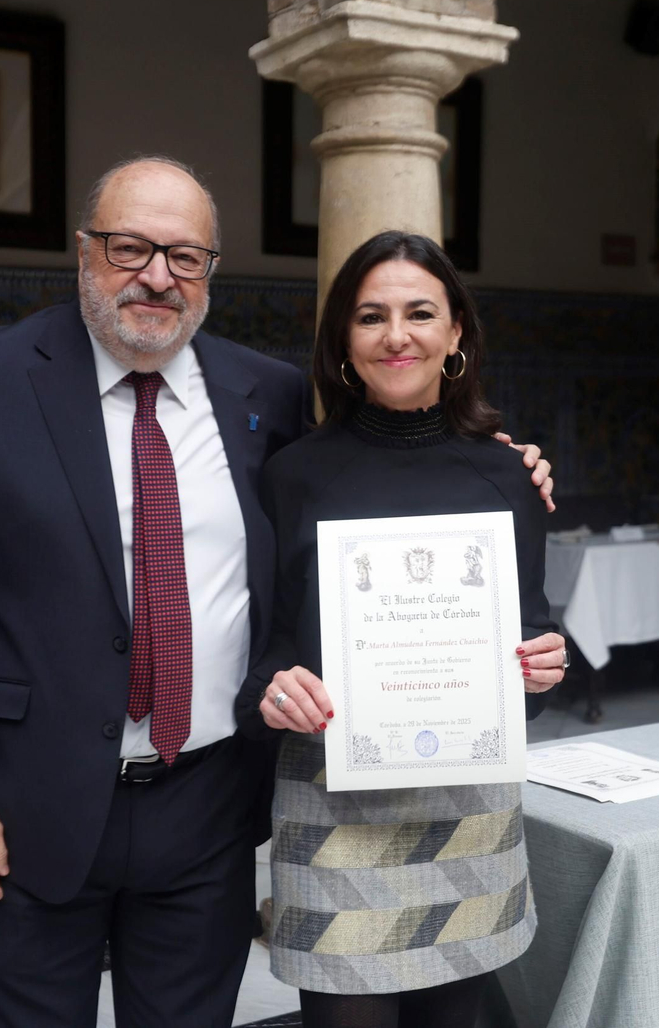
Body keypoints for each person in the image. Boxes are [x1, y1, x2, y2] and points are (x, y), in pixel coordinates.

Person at [0, 156, 554, 1027]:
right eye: (131, 249)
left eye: (185, 256)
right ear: (85, 253)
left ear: (210, 273)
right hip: (26, 809)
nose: (157, 275)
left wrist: (509, 471)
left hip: (207, 814)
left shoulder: (263, 395)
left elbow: (352, 517)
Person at [235, 231, 567, 1027]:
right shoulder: (292, 475)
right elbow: (265, 651)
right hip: (332, 808)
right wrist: (274, 691)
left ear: (456, 334)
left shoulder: (509, 475)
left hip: (467, 812)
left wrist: (548, 666)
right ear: (342, 343)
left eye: (420, 313)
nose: (397, 335)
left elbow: (534, 636)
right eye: (370, 316)